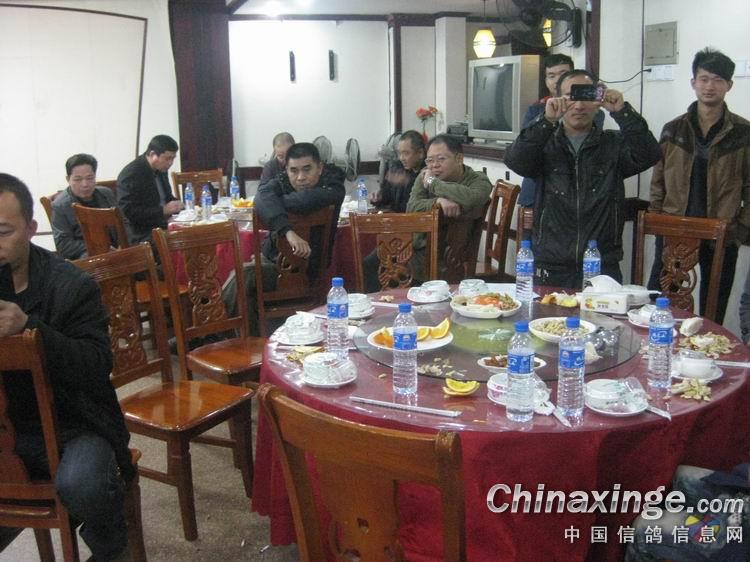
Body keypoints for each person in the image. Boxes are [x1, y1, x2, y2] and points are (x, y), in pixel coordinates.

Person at [0, 173, 134, 561]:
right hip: (7, 427)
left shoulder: (71, 284)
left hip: (73, 423)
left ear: (31, 229)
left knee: (85, 485)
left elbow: (96, 365)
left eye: (4, 232)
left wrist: (31, 329)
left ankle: (111, 549)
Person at [504, 69, 661, 288]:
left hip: (601, 265)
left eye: (586, 96)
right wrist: (546, 121)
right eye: (570, 96)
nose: (578, 106)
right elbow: (515, 160)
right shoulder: (545, 144)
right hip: (552, 265)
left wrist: (622, 112)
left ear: (598, 101)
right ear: (558, 99)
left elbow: (650, 154)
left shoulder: (613, 145)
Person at [648, 48, 750, 324]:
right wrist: (658, 221)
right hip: (676, 228)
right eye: (704, 79)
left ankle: (708, 347)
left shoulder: (743, 133)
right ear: (693, 82)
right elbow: (658, 179)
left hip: (721, 231)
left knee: (713, 307)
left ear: (729, 85)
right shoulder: (674, 129)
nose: (709, 86)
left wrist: (740, 228)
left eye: (718, 80)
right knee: (662, 302)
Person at [222, 142, 345, 334]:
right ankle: (250, 340)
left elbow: (305, 200)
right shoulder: (283, 181)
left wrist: (276, 203)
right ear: (286, 170)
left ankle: (216, 333)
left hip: (306, 269)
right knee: (243, 286)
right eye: (293, 171)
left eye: (307, 169)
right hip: (271, 260)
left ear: (320, 168)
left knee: (244, 275)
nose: (300, 177)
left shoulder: (333, 186)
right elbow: (261, 196)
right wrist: (287, 231)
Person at [360, 134, 492, 294]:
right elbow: (411, 207)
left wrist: (432, 183)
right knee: (369, 263)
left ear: (459, 158)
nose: (434, 165)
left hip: (443, 257)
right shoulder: (425, 174)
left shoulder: (477, 180)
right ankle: (381, 306)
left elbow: (472, 197)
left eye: (441, 159)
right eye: (430, 160)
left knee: (383, 268)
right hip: (417, 246)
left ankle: (395, 302)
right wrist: (437, 201)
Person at [518, 54, 605, 207]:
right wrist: (548, 119)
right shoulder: (536, 110)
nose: (557, 80)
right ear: (546, 81)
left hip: (578, 192)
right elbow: (524, 150)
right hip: (537, 188)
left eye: (563, 74)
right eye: (551, 76)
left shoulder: (592, 112)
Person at [626, 464, 750, 561]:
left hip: (736, 539)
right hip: (741, 497)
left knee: (643, 528)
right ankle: (673, 545)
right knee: (682, 476)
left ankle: (671, 545)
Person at [117, 134, 183, 246]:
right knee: (182, 240)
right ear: (152, 154)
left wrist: (178, 205)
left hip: (161, 224)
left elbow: (166, 197)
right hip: (141, 233)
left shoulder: (161, 169)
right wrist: (162, 211)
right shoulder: (131, 174)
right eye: (167, 158)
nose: (170, 163)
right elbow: (129, 212)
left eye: (173, 158)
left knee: (194, 231)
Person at [50, 153, 117, 260]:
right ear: (68, 179)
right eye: (78, 179)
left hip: (116, 250)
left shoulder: (107, 194)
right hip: (85, 254)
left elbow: (123, 222)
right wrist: (101, 248)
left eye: (90, 178)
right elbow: (63, 244)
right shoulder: (60, 205)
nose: (85, 184)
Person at [369, 130, 426, 213]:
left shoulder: (430, 171)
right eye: (399, 153)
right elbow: (387, 196)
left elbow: (414, 206)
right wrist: (378, 197)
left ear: (420, 153)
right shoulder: (398, 168)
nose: (401, 158)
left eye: (406, 153)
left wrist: (407, 181)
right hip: (395, 217)